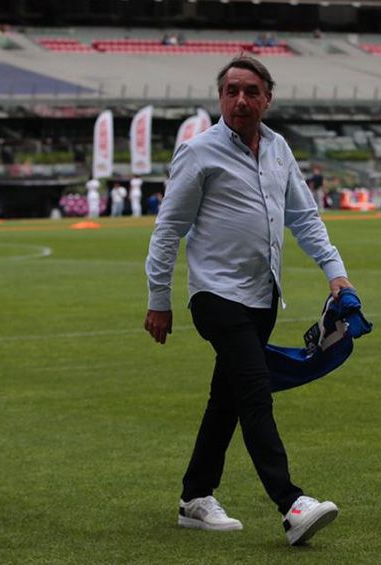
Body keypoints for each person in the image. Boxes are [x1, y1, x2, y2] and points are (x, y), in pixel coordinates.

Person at [144, 56, 347, 547]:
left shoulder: (278, 149)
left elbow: (305, 217)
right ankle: (291, 504)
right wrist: (159, 298)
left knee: (227, 401)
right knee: (255, 392)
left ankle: (195, 497)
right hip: (216, 296)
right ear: (220, 98)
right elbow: (168, 229)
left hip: (261, 299)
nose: (240, 100)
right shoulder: (199, 152)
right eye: (231, 91)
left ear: (267, 98)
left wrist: (336, 273)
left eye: (251, 91)